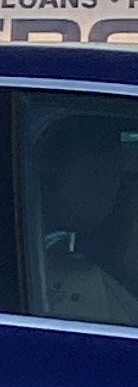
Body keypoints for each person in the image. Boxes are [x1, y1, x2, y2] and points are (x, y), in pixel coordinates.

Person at [30, 109, 138, 325]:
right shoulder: (85, 292)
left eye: (115, 174)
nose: (108, 189)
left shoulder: (38, 262)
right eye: (94, 174)